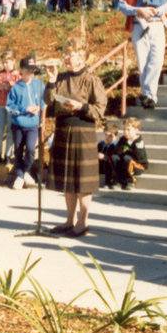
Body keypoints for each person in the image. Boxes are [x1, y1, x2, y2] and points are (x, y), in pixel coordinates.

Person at [44, 37, 107, 236]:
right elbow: (49, 101)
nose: (66, 58)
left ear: (82, 57)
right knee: (66, 180)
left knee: (83, 181)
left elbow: (100, 109)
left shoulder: (92, 80)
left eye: (70, 54)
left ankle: (83, 221)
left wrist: (82, 107)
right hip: (63, 129)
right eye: (65, 54)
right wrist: (51, 82)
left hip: (83, 132)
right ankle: (69, 220)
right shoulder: (60, 78)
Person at [117, 0, 167, 109]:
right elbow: (122, 7)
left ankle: (150, 92)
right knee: (143, 63)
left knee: (157, 61)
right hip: (138, 27)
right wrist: (138, 10)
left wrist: (157, 11)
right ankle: (148, 95)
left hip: (156, 24)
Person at [6, 57, 45, 190]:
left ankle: (25, 171)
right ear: (21, 70)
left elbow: (44, 100)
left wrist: (39, 108)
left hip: (33, 124)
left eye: (33, 70)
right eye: (28, 70)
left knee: (30, 149)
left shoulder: (39, 84)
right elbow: (9, 107)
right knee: (18, 149)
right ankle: (19, 175)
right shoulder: (16, 88)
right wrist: (24, 109)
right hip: (18, 124)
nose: (31, 73)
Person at [0, 50, 21, 169]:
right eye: (3, 63)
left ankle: (8, 154)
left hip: (12, 106)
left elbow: (21, 89)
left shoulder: (18, 75)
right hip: (0, 105)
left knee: (10, 131)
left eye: (7, 62)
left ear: (13, 61)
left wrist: (12, 86)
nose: (4, 65)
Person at [110, 117, 148, 191]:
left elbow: (138, 156)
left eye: (128, 129)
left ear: (136, 130)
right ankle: (118, 179)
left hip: (138, 166)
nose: (126, 132)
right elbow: (117, 150)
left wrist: (126, 151)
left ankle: (130, 181)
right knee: (114, 157)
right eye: (124, 129)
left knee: (127, 158)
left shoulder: (139, 142)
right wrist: (123, 151)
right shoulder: (123, 139)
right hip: (125, 163)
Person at [98, 122, 121, 189]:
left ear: (115, 137)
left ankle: (110, 182)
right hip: (101, 166)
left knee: (111, 162)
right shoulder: (100, 144)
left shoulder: (115, 146)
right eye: (105, 135)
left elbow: (115, 159)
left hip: (110, 167)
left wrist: (104, 157)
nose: (107, 137)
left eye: (110, 136)